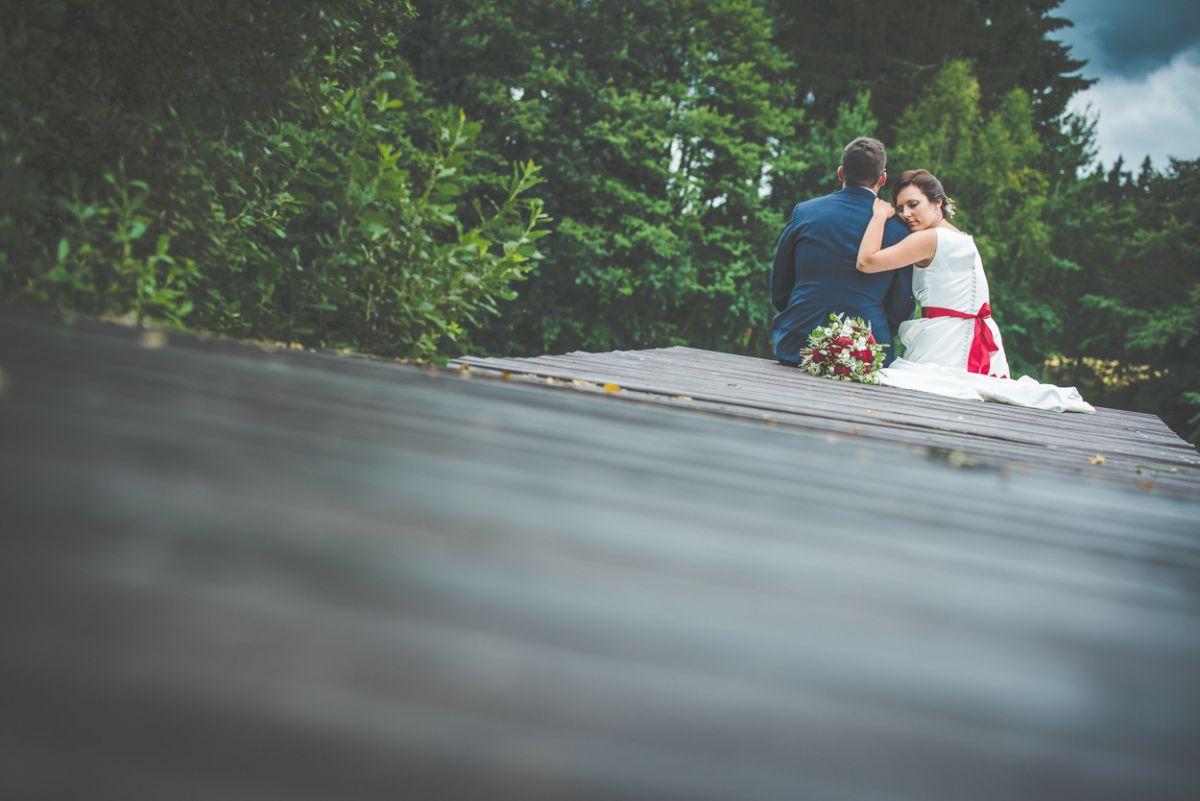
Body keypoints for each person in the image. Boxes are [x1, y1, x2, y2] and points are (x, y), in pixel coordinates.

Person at [856, 169, 1094, 413]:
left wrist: (879, 216)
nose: (905, 214)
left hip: (945, 339)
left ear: (937, 201)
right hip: (978, 336)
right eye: (900, 207)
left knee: (920, 401)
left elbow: (866, 262)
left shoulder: (929, 239)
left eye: (913, 204)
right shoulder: (962, 238)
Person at [771, 137, 913, 366]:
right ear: (882, 178)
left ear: (840, 172)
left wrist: (805, 316)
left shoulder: (805, 212)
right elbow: (900, 306)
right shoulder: (899, 230)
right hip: (868, 353)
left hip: (797, 344)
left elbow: (780, 286)